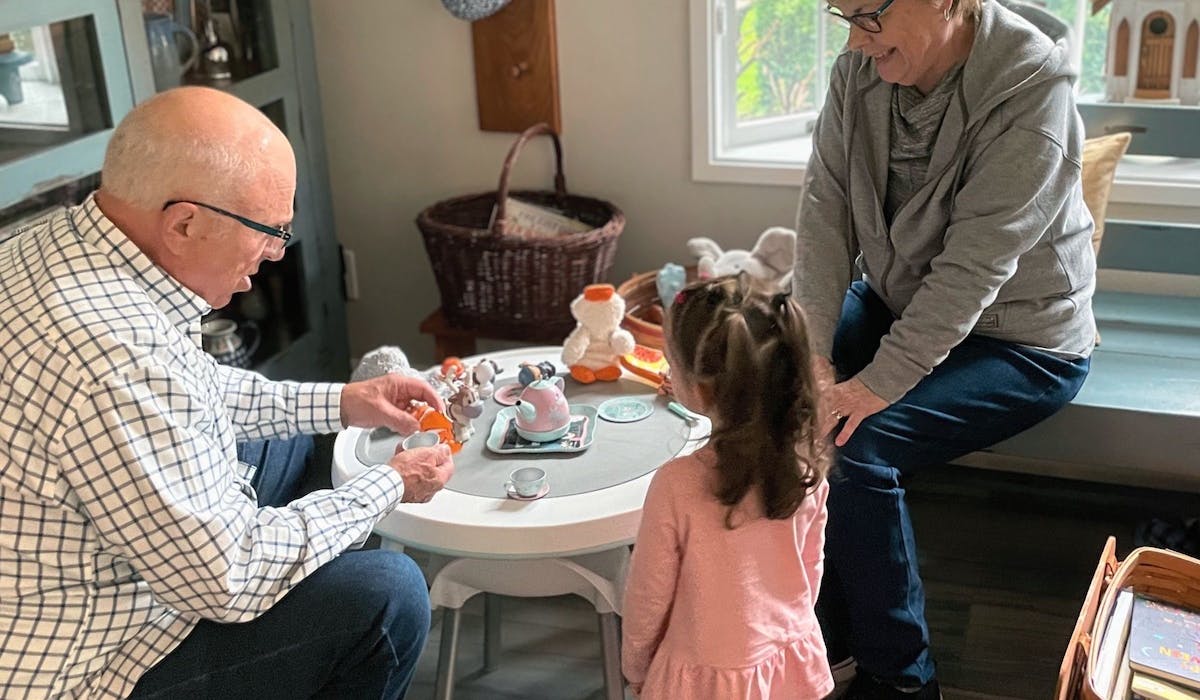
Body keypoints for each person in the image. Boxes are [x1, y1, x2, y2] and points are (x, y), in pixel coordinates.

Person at [0, 86, 455, 700]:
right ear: (184, 222)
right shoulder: (116, 359)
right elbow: (227, 578)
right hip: (94, 664)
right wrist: (391, 484)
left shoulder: (56, 242)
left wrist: (347, 399)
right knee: (389, 595)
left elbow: (192, 386)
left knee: (309, 441)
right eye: (269, 230)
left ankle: (305, 583)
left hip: (105, 554)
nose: (274, 253)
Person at [794, 0, 1096, 695]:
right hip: (903, 305)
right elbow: (824, 210)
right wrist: (812, 352)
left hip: (1025, 340)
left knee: (857, 446)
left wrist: (869, 387)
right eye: (843, 16)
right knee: (787, 387)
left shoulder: (1032, 90)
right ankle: (829, 623)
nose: (856, 40)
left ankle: (901, 676)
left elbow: (972, 272)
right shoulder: (859, 70)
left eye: (867, 15)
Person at [622, 275, 834, 699]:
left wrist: (636, 667)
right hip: (786, 663)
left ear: (699, 389)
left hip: (701, 678)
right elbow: (811, 570)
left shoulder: (676, 484)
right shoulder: (807, 463)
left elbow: (648, 597)